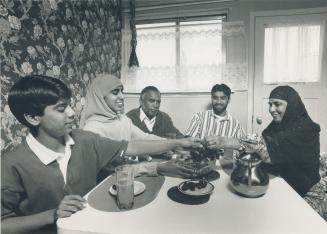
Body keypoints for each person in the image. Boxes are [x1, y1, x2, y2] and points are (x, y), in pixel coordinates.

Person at [1, 75, 202, 234]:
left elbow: (130, 146)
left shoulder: (84, 139)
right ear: (33, 118)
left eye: (70, 105)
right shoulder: (11, 164)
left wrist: (179, 142)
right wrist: (51, 214)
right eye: (62, 109)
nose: (72, 113)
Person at [206, 86, 326, 217]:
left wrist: (225, 142)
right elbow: (262, 147)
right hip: (285, 185)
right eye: (270, 104)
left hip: (307, 192)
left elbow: (263, 146)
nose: (271, 109)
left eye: (277, 104)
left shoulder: (306, 129)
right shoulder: (278, 126)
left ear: (291, 105)